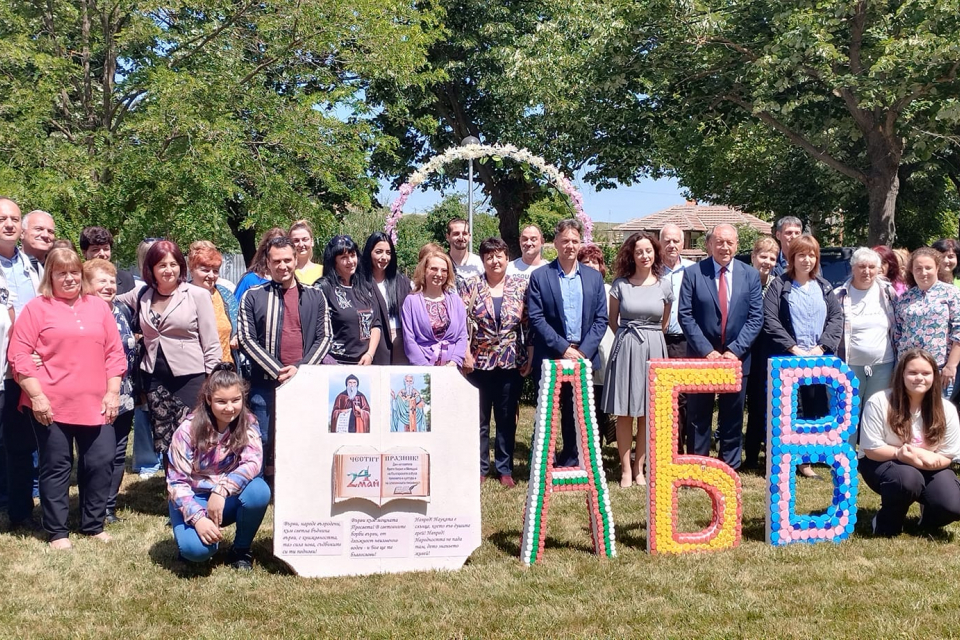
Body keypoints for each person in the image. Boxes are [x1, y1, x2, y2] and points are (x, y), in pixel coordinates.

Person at [8, 248, 125, 548]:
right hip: (51, 403)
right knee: (56, 466)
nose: (70, 278)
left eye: (74, 272)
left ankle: (93, 524)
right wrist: (37, 396)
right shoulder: (37, 308)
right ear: (51, 276)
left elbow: (114, 353)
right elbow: (19, 354)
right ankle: (57, 531)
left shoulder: (98, 308)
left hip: (96, 402)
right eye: (62, 273)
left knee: (101, 460)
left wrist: (113, 393)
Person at [116, 241, 222, 463]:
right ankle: (172, 489)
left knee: (194, 436)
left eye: (173, 264)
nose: (168, 270)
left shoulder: (197, 294)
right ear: (151, 269)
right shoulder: (142, 294)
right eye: (162, 265)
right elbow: (110, 299)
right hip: (155, 378)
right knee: (164, 439)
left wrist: (212, 381)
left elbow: (211, 343)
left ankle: (196, 489)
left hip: (191, 378)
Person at [237, 236, 331, 481]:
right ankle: (256, 490)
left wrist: (300, 369)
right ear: (267, 263)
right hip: (265, 382)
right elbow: (247, 339)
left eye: (288, 260)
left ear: (295, 259)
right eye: (276, 261)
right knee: (262, 438)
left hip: (305, 381)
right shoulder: (252, 296)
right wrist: (278, 370)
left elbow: (325, 337)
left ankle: (300, 486)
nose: (283, 266)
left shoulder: (315, 296)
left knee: (304, 437)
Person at [167, 363, 270, 569]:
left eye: (236, 400)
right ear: (208, 399)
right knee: (197, 553)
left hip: (227, 498)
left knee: (259, 491)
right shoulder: (187, 430)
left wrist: (221, 490)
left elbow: (253, 462)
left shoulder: (249, 422)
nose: (230, 408)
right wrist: (197, 518)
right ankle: (194, 541)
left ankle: (241, 550)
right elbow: (176, 482)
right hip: (193, 497)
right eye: (221, 401)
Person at [678, 224, 763, 470]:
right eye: (719, 242)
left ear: (737, 245)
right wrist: (708, 351)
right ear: (709, 245)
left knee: (733, 416)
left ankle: (730, 466)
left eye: (729, 242)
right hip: (702, 357)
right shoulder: (694, 273)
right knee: (698, 416)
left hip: (737, 359)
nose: (724, 247)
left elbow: (756, 318)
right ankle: (698, 465)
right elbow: (686, 315)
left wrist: (734, 351)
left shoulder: (749, 275)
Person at [527, 219, 608, 468]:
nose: (570, 246)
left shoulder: (593, 278)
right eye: (565, 241)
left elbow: (601, 319)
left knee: (577, 410)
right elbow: (536, 318)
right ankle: (545, 458)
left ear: (580, 243)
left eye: (574, 241)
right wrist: (564, 348)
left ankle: (573, 457)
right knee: (549, 410)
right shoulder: (541, 277)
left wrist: (582, 352)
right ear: (555, 244)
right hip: (552, 353)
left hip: (583, 354)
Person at [763, 234, 844, 476]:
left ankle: (808, 459)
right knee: (788, 411)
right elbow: (771, 320)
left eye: (811, 255)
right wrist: (793, 347)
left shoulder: (824, 286)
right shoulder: (779, 285)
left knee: (814, 408)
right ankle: (786, 460)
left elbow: (836, 318)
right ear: (792, 258)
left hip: (816, 359)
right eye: (801, 254)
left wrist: (822, 348)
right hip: (789, 359)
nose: (806, 259)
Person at [859, 349, 960, 536]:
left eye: (926, 373)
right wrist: (901, 454)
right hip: (883, 462)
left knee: (954, 505)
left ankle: (927, 519)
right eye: (912, 372)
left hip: (929, 463)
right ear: (901, 375)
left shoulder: (946, 409)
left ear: (934, 376)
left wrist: (918, 456)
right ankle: (886, 525)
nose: (919, 378)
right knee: (907, 480)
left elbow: (947, 455)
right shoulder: (879, 402)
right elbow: (872, 449)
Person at [603, 231, 672, 487]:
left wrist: (651, 340)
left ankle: (639, 467)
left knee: (646, 412)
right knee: (624, 411)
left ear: (655, 253)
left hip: (654, 347)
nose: (644, 255)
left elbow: (664, 322)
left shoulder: (665, 284)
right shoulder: (620, 284)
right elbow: (613, 321)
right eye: (639, 251)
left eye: (648, 250)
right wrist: (630, 340)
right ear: (631, 255)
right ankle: (624, 470)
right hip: (626, 347)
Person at [461, 237, 531, 487]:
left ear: (507, 258)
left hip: (511, 362)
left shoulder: (520, 286)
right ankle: (479, 466)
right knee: (478, 419)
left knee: (505, 418)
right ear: (483, 260)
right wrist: (464, 354)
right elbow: (460, 325)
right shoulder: (470, 286)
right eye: (489, 256)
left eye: (499, 255)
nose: (494, 260)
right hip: (478, 363)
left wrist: (529, 355)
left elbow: (528, 324)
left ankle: (504, 468)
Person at [81, 259, 137, 525]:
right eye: (101, 281)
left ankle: (109, 506)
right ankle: (90, 504)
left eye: (112, 281)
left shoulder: (123, 310)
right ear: (87, 285)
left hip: (125, 393)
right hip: (95, 394)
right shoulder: (82, 312)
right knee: (97, 455)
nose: (109, 286)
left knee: (118, 452)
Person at [0, 197, 42, 530]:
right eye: (2, 218)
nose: (9, 224)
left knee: (19, 445)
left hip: (21, 371)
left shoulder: (34, 268)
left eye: (14, 218)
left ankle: (20, 511)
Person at [833, 248, 898, 422]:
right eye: (861, 266)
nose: (867, 271)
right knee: (848, 413)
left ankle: (869, 450)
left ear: (878, 269)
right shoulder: (838, 295)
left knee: (877, 413)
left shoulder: (888, 292)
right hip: (850, 365)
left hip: (883, 365)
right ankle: (846, 449)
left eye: (871, 267)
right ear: (852, 268)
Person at [893, 247, 960, 396]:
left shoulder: (952, 293)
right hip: (908, 369)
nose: (923, 273)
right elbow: (897, 334)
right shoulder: (905, 298)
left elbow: (958, 332)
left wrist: (951, 365)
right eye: (918, 268)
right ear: (911, 270)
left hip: (939, 368)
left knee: (937, 414)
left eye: (928, 268)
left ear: (937, 268)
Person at [743, 235, 783, 469]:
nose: (767, 261)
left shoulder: (777, 284)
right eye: (763, 256)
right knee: (749, 404)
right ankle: (748, 455)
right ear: (753, 257)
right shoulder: (743, 281)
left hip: (770, 349)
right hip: (746, 349)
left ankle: (769, 455)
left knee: (768, 404)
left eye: (772, 257)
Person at [317, 235, 382, 365]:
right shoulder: (322, 288)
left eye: (353, 255)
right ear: (333, 261)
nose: (351, 261)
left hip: (365, 363)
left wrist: (370, 354)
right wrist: (327, 360)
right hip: (334, 364)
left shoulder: (364, 286)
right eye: (343, 258)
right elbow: (313, 330)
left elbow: (376, 324)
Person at [660, 223, 695, 452]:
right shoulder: (651, 270)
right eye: (667, 241)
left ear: (683, 243)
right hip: (658, 340)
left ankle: (681, 448)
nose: (671, 245)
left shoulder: (694, 271)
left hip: (685, 341)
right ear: (660, 243)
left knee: (684, 398)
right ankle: (662, 447)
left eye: (676, 241)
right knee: (660, 396)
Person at [401, 250, 468, 367]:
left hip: (452, 368)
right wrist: (425, 367)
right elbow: (409, 340)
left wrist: (454, 361)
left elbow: (462, 335)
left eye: (444, 270)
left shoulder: (456, 301)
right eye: (434, 269)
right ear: (424, 270)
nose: (439, 274)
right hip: (423, 368)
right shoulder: (411, 302)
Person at [578, 244, 615, 445]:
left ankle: (602, 443)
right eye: (586, 261)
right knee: (586, 404)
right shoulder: (576, 287)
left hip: (607, 352)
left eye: (595, 261)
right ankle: (588, 446)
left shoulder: (610, 290)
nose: (591, 265)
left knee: (603, 404)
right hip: (585, 353)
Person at [359, 232, 411, 364]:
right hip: (374, 343)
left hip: (401, 341)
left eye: (388, 253)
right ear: (369, 252)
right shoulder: (360, 282)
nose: (384, 257)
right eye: (379, 252)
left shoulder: (401, 282)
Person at [188, 241, 239, 365]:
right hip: (195, 370)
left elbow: (239, 327)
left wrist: (237, 337)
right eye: (205, 270)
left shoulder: (225, 295)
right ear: (192, 269)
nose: (211, 275)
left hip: (226, 370)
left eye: (215, 271)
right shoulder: (182, 296)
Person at [78, 226, 137, 293]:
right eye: (95, 250)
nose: (102, 254)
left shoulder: (126, 279)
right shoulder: (77, 279)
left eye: (106, 249)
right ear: (84, 253)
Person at [234, 227, 286, 302]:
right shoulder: (250, 280)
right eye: (274, 245)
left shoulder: (290, 282)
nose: (278, 250)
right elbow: (234, 309)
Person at [288, 219, 323, 285]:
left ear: (312, 242)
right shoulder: (286, 271)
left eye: (305, 239)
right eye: (296, 240)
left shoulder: (323, 271)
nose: (301, 244)